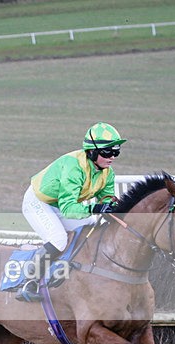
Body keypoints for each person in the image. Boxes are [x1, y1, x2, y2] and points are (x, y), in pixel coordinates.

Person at [17, 122, 126, 302]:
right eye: (108, 152)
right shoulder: (74, 167)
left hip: (60, 205)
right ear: (92, 151)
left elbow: (106, 196)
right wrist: (95, 208)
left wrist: (109, 205)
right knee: (58, 239)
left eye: (116, 152)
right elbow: (69, 209)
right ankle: (29, 282)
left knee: (90, 228)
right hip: (39, 202)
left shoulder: (108, 172)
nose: (112, 157)